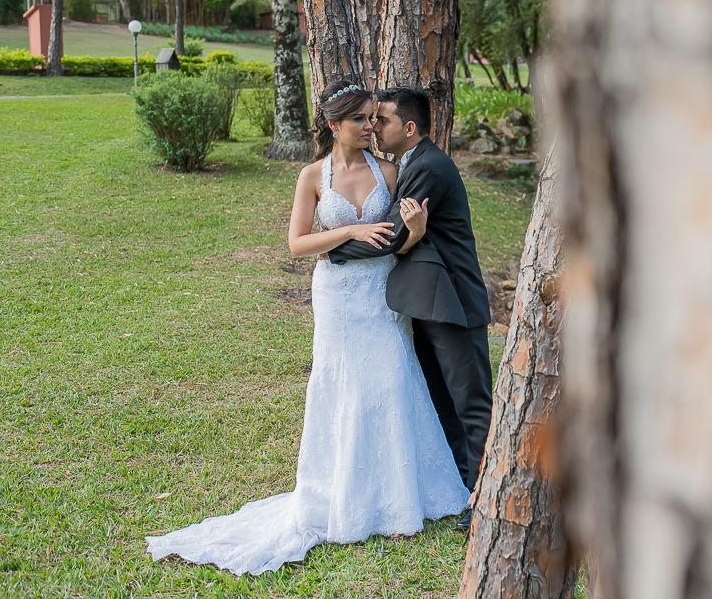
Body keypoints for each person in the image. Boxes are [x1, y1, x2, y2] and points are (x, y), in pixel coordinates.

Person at [145, 81, 469, 576]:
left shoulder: (389, 171)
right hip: (337, 297)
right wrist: (350, 230)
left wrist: (416, 234)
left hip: (380, 295)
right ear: (335, 125)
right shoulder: (311, 176)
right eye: (359, 119)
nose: (369, 128)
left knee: (388, 383)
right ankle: (340, 495)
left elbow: (398, 242)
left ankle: (399, 500)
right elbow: (298, 243)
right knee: (341, 385)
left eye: (372, 119)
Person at [327, 86, 493, 531]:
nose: (375, 127)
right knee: (442, 398)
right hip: (428, 302)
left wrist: (337, 249)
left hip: (455, 303)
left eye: (382, 120)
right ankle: (465, 487)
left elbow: (397, 237)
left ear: (410, 128)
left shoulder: (429, 167)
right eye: (370, 120)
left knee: (471, 404)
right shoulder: (408, 165)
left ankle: (489, 499)